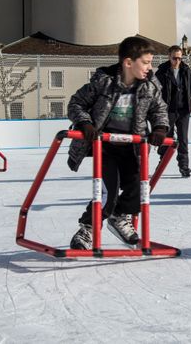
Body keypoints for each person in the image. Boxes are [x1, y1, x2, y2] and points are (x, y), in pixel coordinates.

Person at [67, 36, 169, 250]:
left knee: (141, 191)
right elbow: (76, 103)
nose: (150, 68)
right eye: (146, 62)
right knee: (108, 193)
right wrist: (85, 123)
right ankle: (87, 229)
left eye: (151, 63)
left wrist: (160, 128)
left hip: (133, 147)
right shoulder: (104, 81)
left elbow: (159, 109)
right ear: (128, 62)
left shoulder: (150, 84)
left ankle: (119, 216)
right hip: (105, 147)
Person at [155, 45, 191, 177]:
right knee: (166, 138)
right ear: (169, 57)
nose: (177, 61)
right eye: (174, 58)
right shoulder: (162, 72)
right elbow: (154, 92)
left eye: (180, 58)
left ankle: (184, 167)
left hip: (183, 111)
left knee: (183, 140)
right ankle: (161, 164)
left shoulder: (186, 71)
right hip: (168, 111)